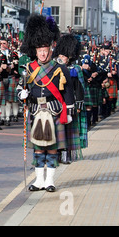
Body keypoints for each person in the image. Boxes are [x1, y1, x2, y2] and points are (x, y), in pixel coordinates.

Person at [17, 14, 75, 193]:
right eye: (40, 50)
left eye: (45, 50)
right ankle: (38, 181)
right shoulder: (29, 69)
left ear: (51, 50)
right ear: (35, 51)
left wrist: (69, 111)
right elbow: (20, 89)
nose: (42, 53)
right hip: (35, 112)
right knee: (38, 150)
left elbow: (67, 92)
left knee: (51, 150)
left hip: (54, 111)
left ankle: (50, 181)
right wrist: (22, 94)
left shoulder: (60, 68)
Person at [53, 34, 88, 163]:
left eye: (64, 56)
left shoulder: (75, 69)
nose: (61, 58)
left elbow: (79, 89)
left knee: (68, 131)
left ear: (69, 57)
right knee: (57, 130)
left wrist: (78, 106)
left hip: (69, 104)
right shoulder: (52, 68)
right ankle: (55, 154)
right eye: (60, 56)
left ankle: (66, 155)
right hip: (56, 103)